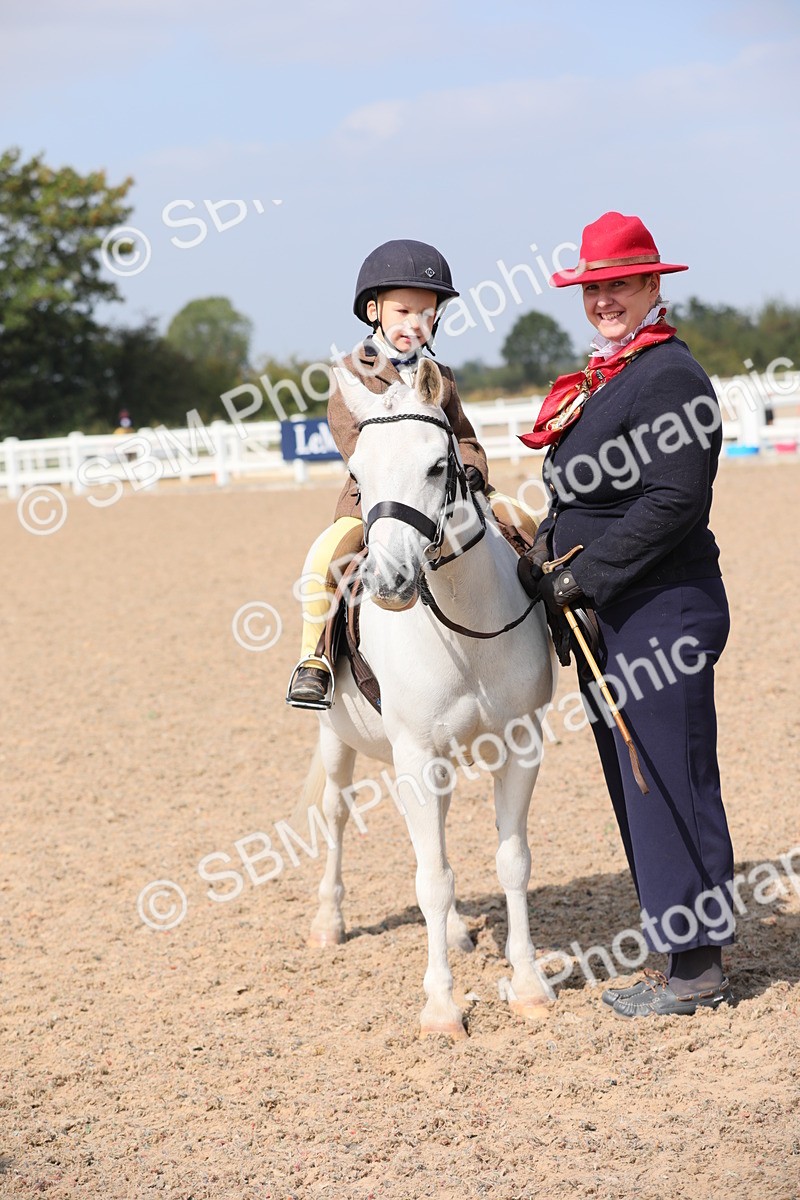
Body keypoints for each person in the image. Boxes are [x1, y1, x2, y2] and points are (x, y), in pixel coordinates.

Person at [519, 212, 735, 1018]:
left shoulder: (670, 377)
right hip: (612, 613)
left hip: (661, 609)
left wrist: (588, 575)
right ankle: (679, 951)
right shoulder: (611, 375)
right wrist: (543, 552)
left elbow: (676, 498)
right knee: (635, 780)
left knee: (667, 777)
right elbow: (578, 496)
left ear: (653, 285)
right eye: (593, 288)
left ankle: (698, 970)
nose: (604, 300)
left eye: (619, 285)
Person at [286, 238, 534, 709]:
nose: (414, 324)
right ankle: (315, 658)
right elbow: (351, 439)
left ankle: (557, 623)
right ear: (375, 310)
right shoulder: (351, 373)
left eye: (426, 313)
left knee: (523, 521)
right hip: (377, 498)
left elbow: (465, 437)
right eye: (403, 311)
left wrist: (474, 473)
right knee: (326, 557)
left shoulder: (440, 375)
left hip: (450, 491)